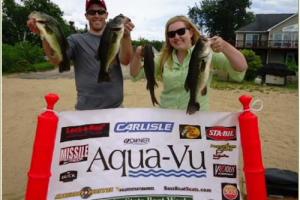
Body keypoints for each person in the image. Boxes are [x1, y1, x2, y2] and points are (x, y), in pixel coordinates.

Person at [27, 0, 135, 110]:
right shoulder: (75, 40)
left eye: (100, 12)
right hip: (85, 110)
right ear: (86, 16)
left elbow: (125, 60)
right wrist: (44, 34)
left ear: (106, 15)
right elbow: (56, 60)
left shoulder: (117, 37)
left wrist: (126, 37)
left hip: (116, 108)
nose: (96, 15)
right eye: (92, 12)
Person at [130, 15, 248, 111]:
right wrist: (136, 56)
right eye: (171, 34)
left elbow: (241, 67)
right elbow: (135, 75)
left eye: (181, 31)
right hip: (167, 116)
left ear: (191, 33)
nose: (176, 37)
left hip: (197, 117)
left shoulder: (207, 53)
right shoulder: (162, 58)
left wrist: (225, 46)